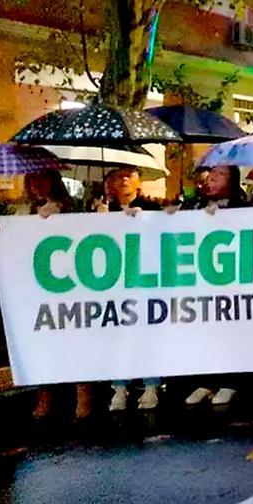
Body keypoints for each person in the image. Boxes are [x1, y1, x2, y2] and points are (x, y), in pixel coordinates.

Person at [0, 170, 91, 419]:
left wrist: (60, 215)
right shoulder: (20, 213)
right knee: (43, 345)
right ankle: (45, 397)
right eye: (31, 180)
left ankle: (83, 397)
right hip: (36, 291)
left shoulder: (73, 209)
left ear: (53, 181)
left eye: (42, 179)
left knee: (76, 343)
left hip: (70, 289)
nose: (36, 185)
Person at [181, 165, 247, 407]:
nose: (213, 178)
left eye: (220, 174)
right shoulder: (195, 204)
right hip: (203, 280)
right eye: (212, 173)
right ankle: (205, 381)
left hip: (232, 281)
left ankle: (229, 382)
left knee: (230, 334)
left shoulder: (243, 205)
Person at [104, 167, 164, 412]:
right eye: (118, 176)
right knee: (118, 337)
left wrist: (146, 219)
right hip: (115, 286)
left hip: (146, 283)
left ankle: (151, 386)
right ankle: (119, 388)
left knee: (146, 335)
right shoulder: (101, 210)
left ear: (139, 183)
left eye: (129, 174)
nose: (124, 179)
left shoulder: (152, 208)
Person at [181, 165, 248, 210]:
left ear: (230, 182)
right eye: (213, 171)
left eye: (221, 173)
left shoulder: (243, 208)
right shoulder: (195, 202)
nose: (214, 175)